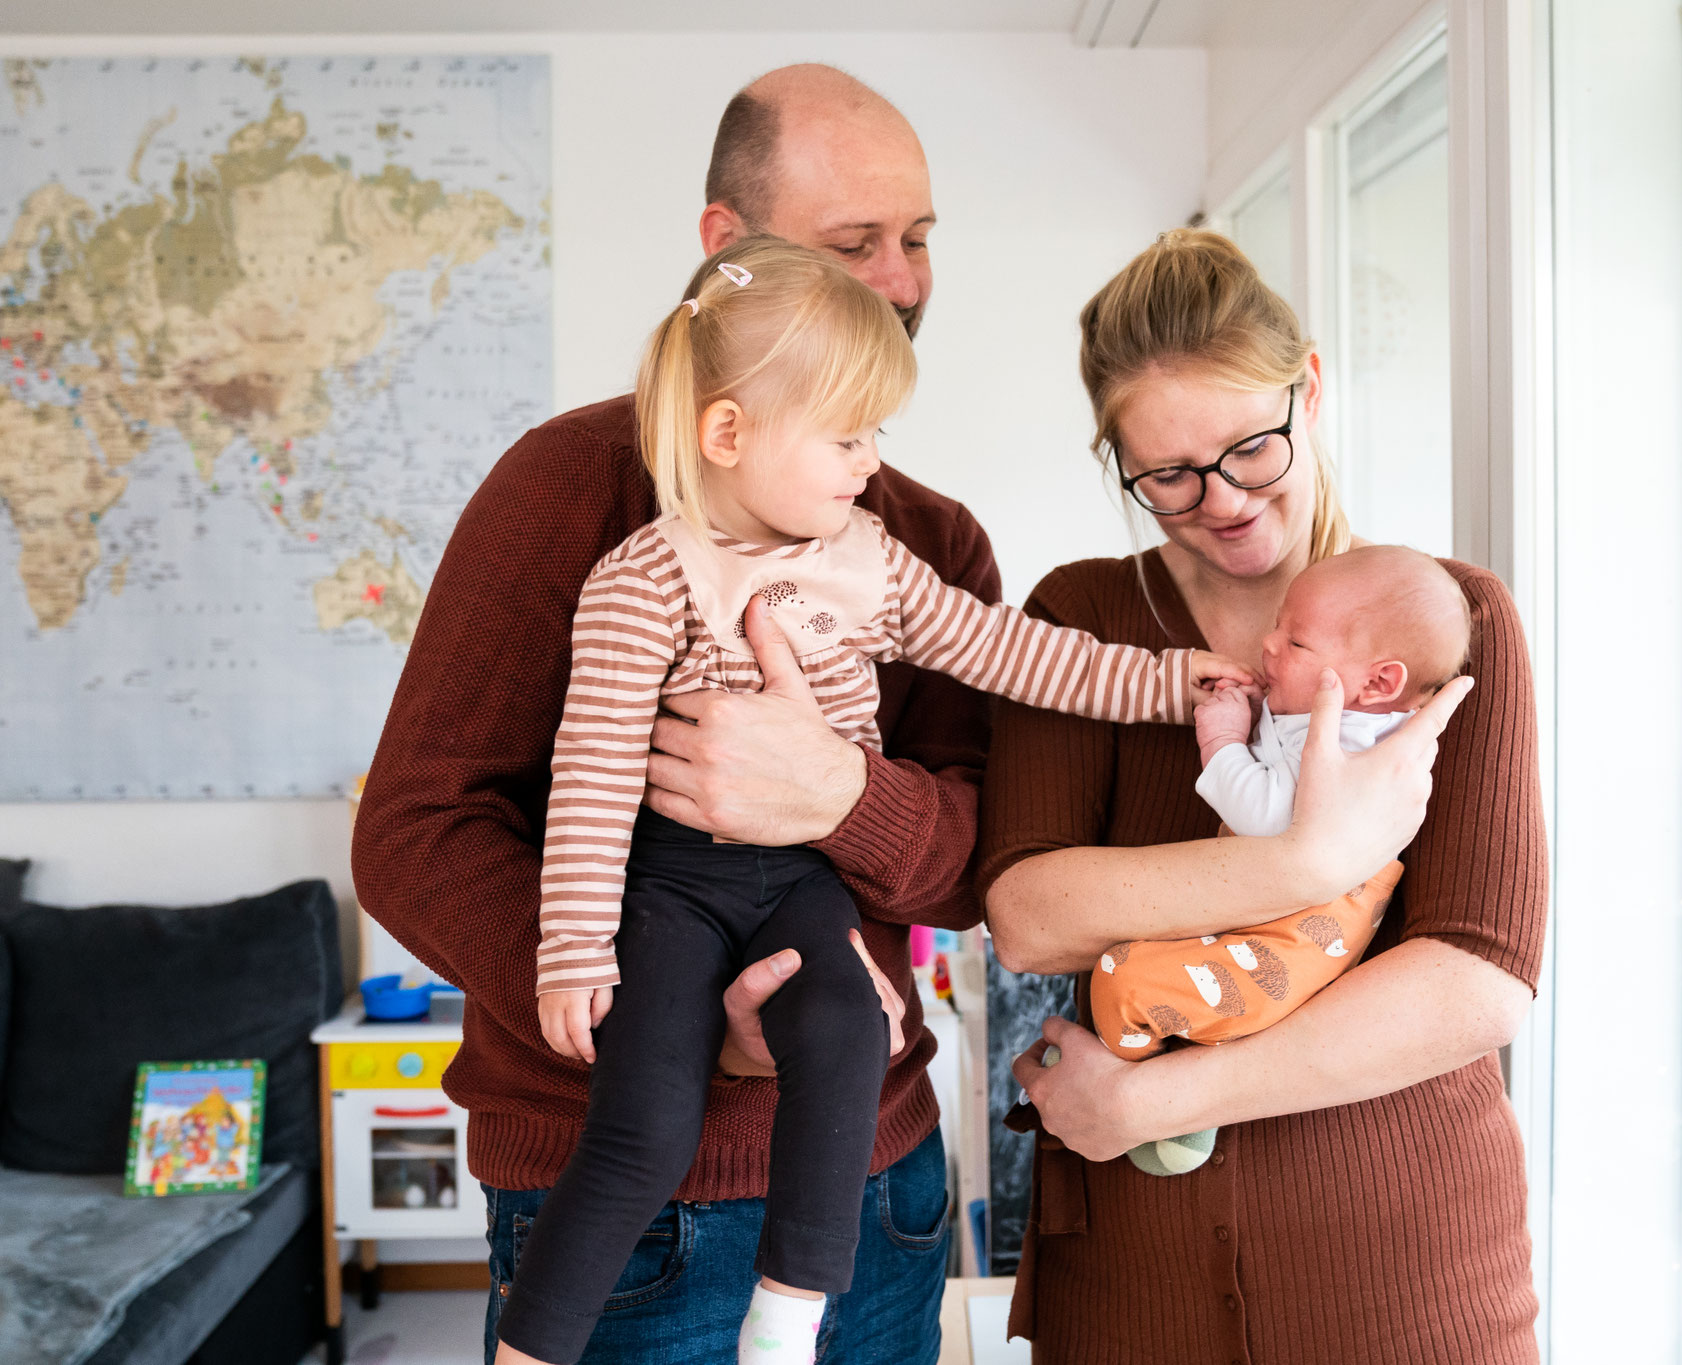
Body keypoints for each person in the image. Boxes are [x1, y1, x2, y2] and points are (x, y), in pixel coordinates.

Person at [495, 236, 1245, 1365]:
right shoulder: (643, 578)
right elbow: (593, 770)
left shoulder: (873, 562)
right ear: (728, 435)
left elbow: (1014, 655)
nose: (869, 461)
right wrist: (571, 949)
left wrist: (1161, 681)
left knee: (850, 1029)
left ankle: (787, 1320)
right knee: (640, 1123)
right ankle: (532, 1347)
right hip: (670, 883)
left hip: (802, 874)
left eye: (876, 434)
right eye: (846, 437)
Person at [353, 66, 990, 1364]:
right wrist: (677, 1008)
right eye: (853, 242)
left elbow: (979, 860)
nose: (906, 279)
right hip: (630, 1222)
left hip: (881, 1200)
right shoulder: (566, 492)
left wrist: (837, 796)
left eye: (917, 239)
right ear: (728, 250)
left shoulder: (927, 541)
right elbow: (415, 832)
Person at [982, 228, 1546, 1362]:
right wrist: (1297, 866)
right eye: (1167, 477)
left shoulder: (1450, 620)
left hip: (1405, 1275)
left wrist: (1156, 1106)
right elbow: (1029, 914)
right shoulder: (1081, 619)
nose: (1222, 501)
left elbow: (1476, 979)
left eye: (1250, 447)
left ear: (1311, 388)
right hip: (1134, 1285)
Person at [1081, 543, 1471, 1177]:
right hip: (1271, 917)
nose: (1268, 644)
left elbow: (1269, 823)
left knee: (1125, 979)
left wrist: (1223, 737)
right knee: (1147, 968)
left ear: (1379, 681)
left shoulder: (1349, 742)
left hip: (1300, 933)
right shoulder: (1355, 721)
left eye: (1296, 643)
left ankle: (1163, 1094)